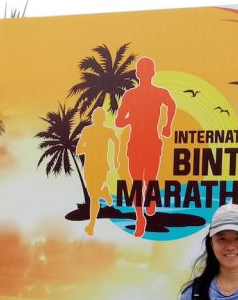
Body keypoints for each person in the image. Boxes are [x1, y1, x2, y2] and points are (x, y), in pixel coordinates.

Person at [114, 57, 177, 237]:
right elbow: (119, 121)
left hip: (150, 143)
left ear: (138, 74)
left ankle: (148, 203)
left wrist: (167, 126)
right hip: (138, 144)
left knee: (147, 180)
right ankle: (140, 218)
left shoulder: (157, 93)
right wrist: (132, 119)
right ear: (151, 73)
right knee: (139, 183)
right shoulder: (131, 95)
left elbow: (171, 105)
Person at [75, 108, 120, 236]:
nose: (98, 119)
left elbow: (116, 141)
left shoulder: (106, 131)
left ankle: (91, 225)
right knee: (94, 195)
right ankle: (103, 193)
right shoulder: (89, 131)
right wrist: (89, 148)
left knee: (94, 197)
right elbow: (78, 149)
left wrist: (115, 159)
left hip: (100, 167)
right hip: (91, 167)